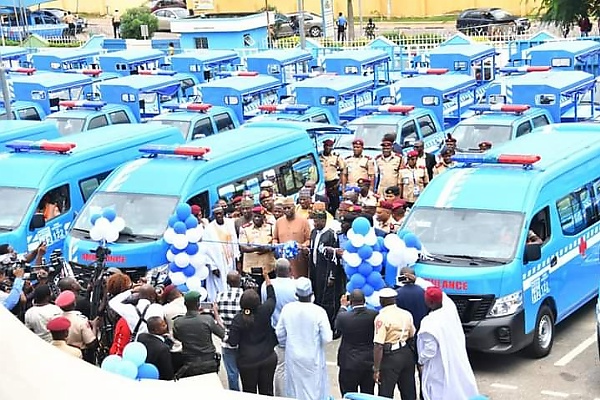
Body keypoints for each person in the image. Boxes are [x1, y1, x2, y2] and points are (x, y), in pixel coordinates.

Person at [276, 277, 333, 400]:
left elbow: (279, 332)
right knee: (314, 389)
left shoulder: (287, 309)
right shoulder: (319, 312)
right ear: (312, 294)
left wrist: (288, 344)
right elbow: (327, 337)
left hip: (293, 356)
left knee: (295, 389)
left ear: (296, 294)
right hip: (313, 357)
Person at [418, 286, 479, 400]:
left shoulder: (429, 323)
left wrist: (421, 360)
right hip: (454, 357)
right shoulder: (450, 310)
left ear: (429, 302)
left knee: (438, 391)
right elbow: (444, 296)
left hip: (437, 365)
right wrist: (417, 280)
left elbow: (430, 351)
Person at [227, 270, 278, 395]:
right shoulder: (265, 311)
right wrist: (267, 279)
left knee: (249, 393)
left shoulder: (238, 319)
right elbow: (272, 297)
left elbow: (232, 343)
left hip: (247, 362)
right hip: (267, 358)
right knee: (267, 392)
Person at [373, 288, 417, 400]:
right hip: (405, 353)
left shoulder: (381, 318)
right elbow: (412, 335)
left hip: (390, 356)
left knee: (386, 392)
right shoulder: (406, 314)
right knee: (408, 390)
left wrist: (376, 369)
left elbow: (378, 345)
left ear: (381, 301)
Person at [261, 258, 297, 397]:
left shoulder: (266, 285)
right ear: (290, 270)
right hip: (292, 330)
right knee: (289, 365)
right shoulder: (295, 285)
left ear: (275, 271)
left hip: (272, 328)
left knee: (279, 366)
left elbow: (265, 303)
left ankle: (281, 395)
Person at [335, 289, 378, 396]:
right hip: (369, 362)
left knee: (348, 394)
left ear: (351, 301)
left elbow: (337, 329)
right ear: (364, 300)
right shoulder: (374, 315)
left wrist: (343, 307)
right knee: (367, 394)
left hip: (349, 363)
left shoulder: (343, 316)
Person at [173, 290, 226, 378]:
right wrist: (216, 313)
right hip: (209, 362)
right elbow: (222, 334)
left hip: (190, 363)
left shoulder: (178, 322)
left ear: (185, 304)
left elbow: (177, 337)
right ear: (198, 304)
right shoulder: (207, 319)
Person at [309, 208, 344, 328]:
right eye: (314, 221)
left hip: (327, 271)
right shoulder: (313, 232)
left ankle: (331, 325)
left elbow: (334, 259)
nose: (315, 223)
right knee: (317, 297)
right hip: (315, 270)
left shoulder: (330, 234)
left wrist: (332, 275)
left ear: (323, 220)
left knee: (328, 300)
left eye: (317, 221)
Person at [204, 204, 240, 300]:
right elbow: (207, 249)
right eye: (216, 214)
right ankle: (222, 301)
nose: (219, 216)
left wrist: (237, 256)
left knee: (232, 280)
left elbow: (234, 240)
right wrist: (213, 266)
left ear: (223, 213)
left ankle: (232, 300)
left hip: (230, 260)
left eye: (220, 213)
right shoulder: (209, 229)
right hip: (218, 262)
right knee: (221, 284)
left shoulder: (230, 223)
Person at [215, 271, 244, 391]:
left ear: (227, 282)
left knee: (232, 374)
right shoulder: (245, 295)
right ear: (240, 281)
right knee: (246, 373)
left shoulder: (220, 296)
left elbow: (218, 316)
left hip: (226, 339)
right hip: (243, 339)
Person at [273, 197, 311, 278]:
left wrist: (301, 246)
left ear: (294, 207)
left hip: (299, 259)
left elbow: (309, 239)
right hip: (284, 259)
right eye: (284, 208)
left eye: (289, 208)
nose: (287, 210)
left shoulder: (303, 221)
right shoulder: (279, 222)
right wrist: (276, 245)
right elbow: (275, 238)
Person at [55, 290, 97, 362]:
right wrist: (95, 326)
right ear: (74, 303)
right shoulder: (81, 320)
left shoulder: (55, 319)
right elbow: (91, 343)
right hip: (80, 356)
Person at [239, 206, 275, 287]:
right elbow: (243, 247)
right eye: (255, 216)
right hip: (252, 268)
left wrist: (266, 249)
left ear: (264, 217)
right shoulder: (245, 228)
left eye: (259, 216)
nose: (257, 219)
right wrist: (256, 249)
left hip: (268, 267)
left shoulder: (270, 227)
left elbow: (275, 243)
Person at [137, 316, 175, 380]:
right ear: (156, 330)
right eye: (163, 325)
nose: (166, 326)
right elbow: (168, 374)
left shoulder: (141, 336)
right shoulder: (163, 349)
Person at [320, 138, 346, 215]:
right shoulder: (319, 157)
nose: (328, 148)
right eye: (327, 146)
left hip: (333, 183)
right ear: (324, 146)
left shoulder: (336, 157)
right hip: (323, 183)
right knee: (323, 203)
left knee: (335, 204)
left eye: (330, 146)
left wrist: (339, 183)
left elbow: (342, 170)